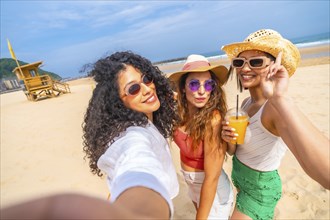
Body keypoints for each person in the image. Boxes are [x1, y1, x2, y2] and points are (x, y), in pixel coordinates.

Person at [2, 51, 180, 219]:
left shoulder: (144, 118)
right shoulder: (132, 136)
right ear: (118, 102)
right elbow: (136, 164)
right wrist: (138, 213)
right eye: (133, 89)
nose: (148, 89)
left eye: (147, 79)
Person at [221, 29, 330, 220]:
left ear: (273, 66)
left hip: (258, 193)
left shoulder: (274, 109)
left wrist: (279, 98)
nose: (245, 69)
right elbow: (234, 151)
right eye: (239, 62)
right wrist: (229, 140)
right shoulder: (246, 104)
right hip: (242, 184)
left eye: (255, 62)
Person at [168, 54, 234, 219]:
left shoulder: (213, 120)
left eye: (208, 84)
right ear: (183, 88)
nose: (202, 91)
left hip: (213, 190)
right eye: (194, 84)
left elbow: (212, 178)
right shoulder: (178, 112)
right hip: (193, 186)